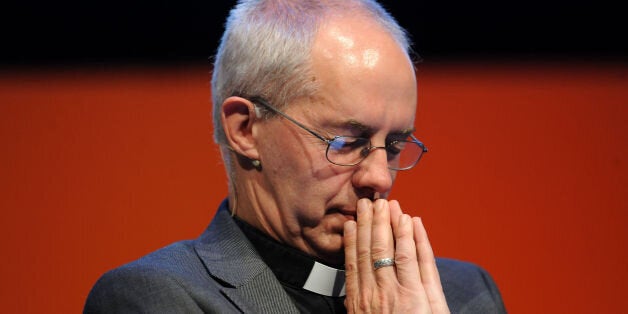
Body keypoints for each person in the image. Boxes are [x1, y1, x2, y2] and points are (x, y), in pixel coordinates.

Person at [84, 0, 507, 313]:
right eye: (345, 141)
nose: (379, 178)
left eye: (394, 145)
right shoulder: (155, 298)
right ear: (244, 130)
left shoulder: (466, 295)